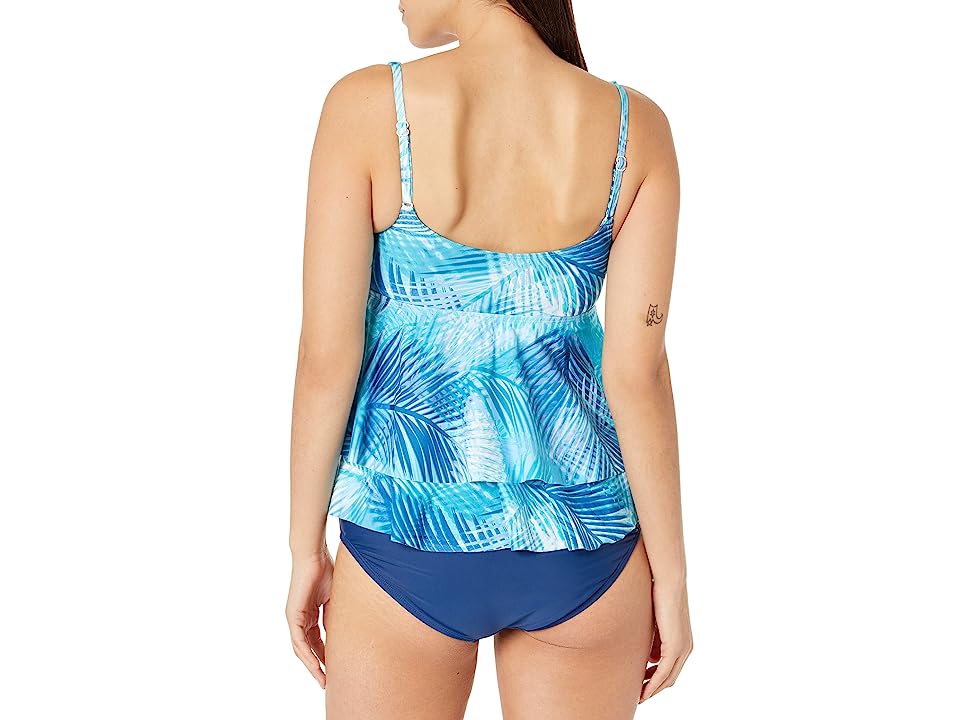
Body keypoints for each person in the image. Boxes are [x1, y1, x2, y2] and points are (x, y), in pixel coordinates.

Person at [286, 2, 691, 718]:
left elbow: (326, 357)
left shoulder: (368, 106)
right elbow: (638, 375)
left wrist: (304, 551)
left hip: (406, 538)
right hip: (587, 550)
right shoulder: (637, 128)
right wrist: (672, 577)